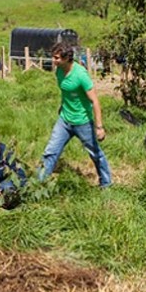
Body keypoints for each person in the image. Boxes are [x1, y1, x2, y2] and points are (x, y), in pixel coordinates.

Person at [38, 41, 112, 188]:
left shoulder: (80, 75)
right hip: (65, 120)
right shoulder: (58, 71)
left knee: (95, 153)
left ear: (67, 58)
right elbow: (67, 92)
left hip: (82, 122)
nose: (54, 61)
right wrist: (63, 106)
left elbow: (95, 102)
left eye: (57, 58)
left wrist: (99, 127)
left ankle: (106, 184)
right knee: (51, 151)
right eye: (53, 57)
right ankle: (38, 184)